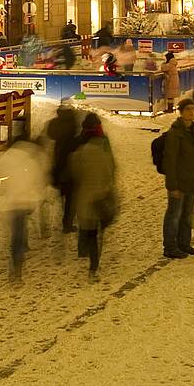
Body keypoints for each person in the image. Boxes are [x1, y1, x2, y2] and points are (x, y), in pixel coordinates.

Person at [0, 123, 48, 281]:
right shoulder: (32, 153)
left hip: (13, 200)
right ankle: (19, 260)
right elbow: (39, 176)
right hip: (27, 199)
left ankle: (16, 267)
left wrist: (3, 191)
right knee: (20, 228)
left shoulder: (10, 154)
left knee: (16, 233)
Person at [69, 117, 118, 277]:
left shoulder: (78, 153)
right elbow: (110, 172)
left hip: (85, 198)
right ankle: (93, 266)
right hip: (101, 197)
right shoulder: (103, 152)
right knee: (98, 233)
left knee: (88, 231)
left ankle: (85, 252)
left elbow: (75, 175)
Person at [160, 98, 194, 259]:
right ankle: (170, 246)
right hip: (179, 181)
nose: (192, 112)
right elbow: (170, 161)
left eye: (193, 109)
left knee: (186, 214)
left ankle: (184, 243)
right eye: (188, 109)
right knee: (174, 214)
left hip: (191, 179)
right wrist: (172, 186)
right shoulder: (175, 133)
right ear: (181, 112)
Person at [45, 103, 86, 232]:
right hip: (70, 162)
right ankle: (67, 223)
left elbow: (50, 134)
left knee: (63, 192)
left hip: (58, 158)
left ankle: (63, 220)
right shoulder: (73, 121)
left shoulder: (54, 123)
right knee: (71, 196)